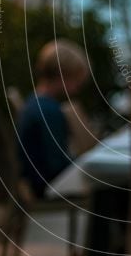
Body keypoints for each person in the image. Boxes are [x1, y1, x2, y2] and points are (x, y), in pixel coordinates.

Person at [17, 39, 98, 198]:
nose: (77, 88)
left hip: (36, 180)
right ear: (63, 75)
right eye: (76, 81)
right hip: (46, 185)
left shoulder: (35, 102)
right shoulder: (50, 111)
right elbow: (57, 165)